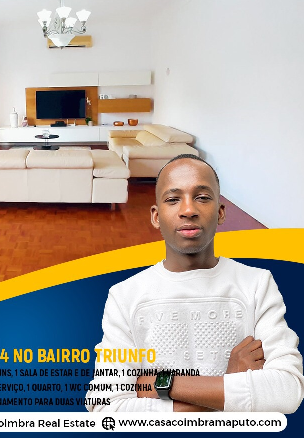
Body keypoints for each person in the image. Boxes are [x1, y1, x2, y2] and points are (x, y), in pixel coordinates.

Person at [86, 154, 304, 412]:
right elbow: (105, 407)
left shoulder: (257, 284)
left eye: (202, 197)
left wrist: (159, 384)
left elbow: (287, 390)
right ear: (156, 216)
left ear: (220, 212)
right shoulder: (125, 296)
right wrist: (228, 384)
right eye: (173, 199)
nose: (188, 210)